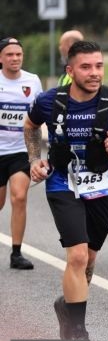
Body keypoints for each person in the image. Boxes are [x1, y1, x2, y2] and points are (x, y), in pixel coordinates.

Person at [24, 41, 108, 341]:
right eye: (86, 67)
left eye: (98, 66)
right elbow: (31, 125)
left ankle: (68, 307)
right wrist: (35, 159)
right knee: (77, 255)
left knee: (89, 258)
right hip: (62, 182)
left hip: (101, 185)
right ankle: (77, 331)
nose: (94, 73)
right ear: (70, 71)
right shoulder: (49, 101)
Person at [0, 38, 43, 270]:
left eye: (18, 54)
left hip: (20, 149)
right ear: (1, 58)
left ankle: (16, 253)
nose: (15, 58)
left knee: (19, 196)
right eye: (9, 55)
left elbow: (41, 111)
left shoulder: (32, 81)